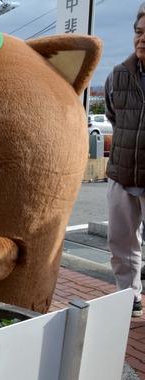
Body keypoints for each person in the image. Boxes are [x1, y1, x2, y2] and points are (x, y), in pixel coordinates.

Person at [105, 10, 145, 318]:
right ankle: (128, 295)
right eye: (139, 32)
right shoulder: (118, 74)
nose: (142, 39)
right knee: (121, 240)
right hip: (122, 173)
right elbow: (113, 116)